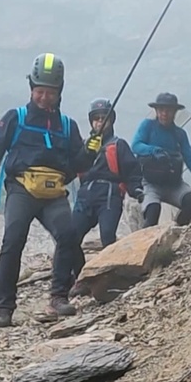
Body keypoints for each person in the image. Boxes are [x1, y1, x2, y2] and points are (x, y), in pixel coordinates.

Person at [0, 52, 103, 326]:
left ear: (59, 92)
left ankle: (59, 296)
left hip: (54, 193)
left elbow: (76, 164)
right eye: (39, 91)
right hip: (21, 189)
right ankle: (3, 308)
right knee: (13, 240)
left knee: (68, 235)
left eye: (50, 93)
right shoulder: (15, 118)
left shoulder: (67, 126)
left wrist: (89, 152)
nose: (44, 98)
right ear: (31, 89)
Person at [68, 98, 144, 298]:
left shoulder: (119, 145)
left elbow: (133, 171)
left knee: (107, 236)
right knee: (71, 237)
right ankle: (81, 278)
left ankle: (109, 279)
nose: (100, 122)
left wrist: (136, 189)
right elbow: (74, 166)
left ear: (112, 121)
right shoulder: (84, 145)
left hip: (110, 193)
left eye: (104, 118)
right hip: (86, 193)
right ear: (91, 121)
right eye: (97, 119)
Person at [131, 92, 191, 228]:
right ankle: (146, 243)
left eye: (169, 110)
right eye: (161, 110)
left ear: (175, 112)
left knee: (190, 200)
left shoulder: (179, 134)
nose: (164, 113)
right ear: (156, 111)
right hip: (151, 184)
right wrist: (153, 151)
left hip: (175, 184)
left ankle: (176, 230)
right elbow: (136, 145)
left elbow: (190, 157)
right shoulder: (147, 126)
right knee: (153, 210)